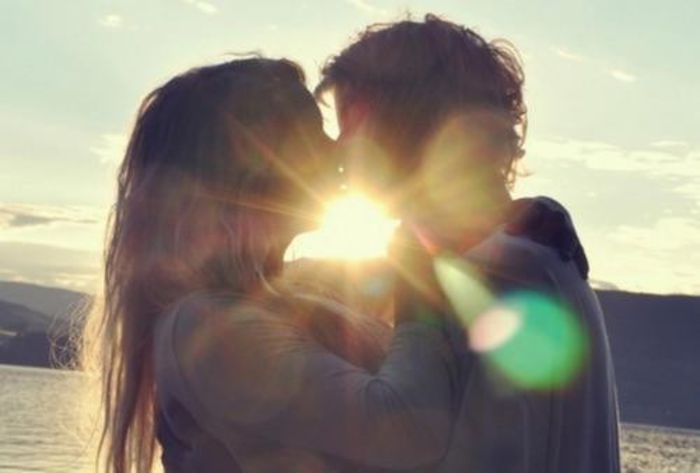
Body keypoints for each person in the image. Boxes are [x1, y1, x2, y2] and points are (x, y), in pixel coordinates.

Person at [88, 57, 459, 473]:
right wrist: (418, 277)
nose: (337, 147)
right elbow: (409, 430)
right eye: (311, 133)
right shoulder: (203, 329)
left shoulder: (284, 299)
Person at [316, 14, 621, 473]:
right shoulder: (520, 256)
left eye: (350, 123)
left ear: (407, 124)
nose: (338, 148)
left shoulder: (510, 275)